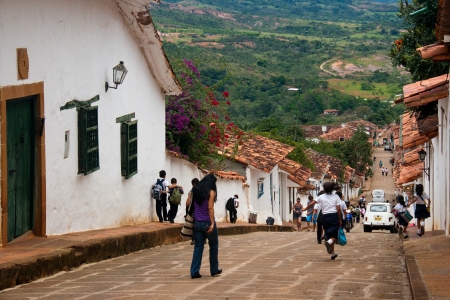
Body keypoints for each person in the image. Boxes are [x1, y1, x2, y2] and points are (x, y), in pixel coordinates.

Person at [188, 174, 222, 279]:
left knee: (198, 247)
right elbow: (210, 208)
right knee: (214, 245)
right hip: (207, 222)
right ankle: (214, 269)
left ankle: (194, 271)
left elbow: (187, 204)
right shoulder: (211, 192)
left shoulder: (194, 191)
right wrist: (212, 223)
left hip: (197, 223)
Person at [305, 183, 342, 259]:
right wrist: (340, 219)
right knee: (334, 236)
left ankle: (333, 253)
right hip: (333, 216)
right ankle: (328, 242)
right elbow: (338, 209)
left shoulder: (321, 196)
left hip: (325, 217)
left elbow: (312, 203)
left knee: (329, 234)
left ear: (324, 189)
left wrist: (305, 209)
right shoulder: (336, 196)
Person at [186, 178, 199, 245]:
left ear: (192, 184)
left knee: (194, 225)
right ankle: (203, 239)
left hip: (193, 211)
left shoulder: (191, 192)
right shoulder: (203, 191)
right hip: (201, 212)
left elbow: (187, 204)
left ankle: (194, 239)